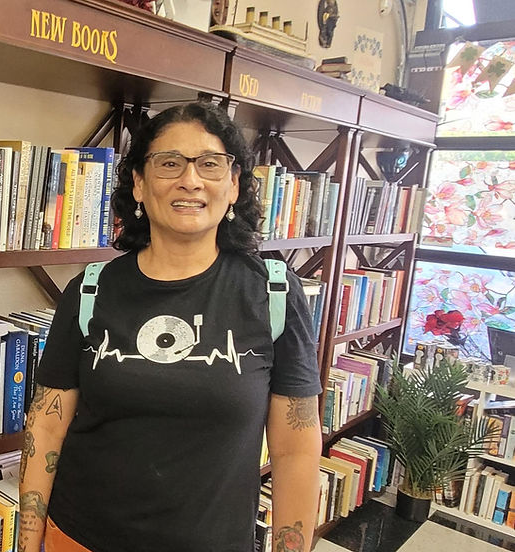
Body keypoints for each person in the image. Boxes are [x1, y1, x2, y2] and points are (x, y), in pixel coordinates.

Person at [17, 102, 323, 552]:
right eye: (169, 163)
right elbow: (45, 427)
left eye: (210, 164)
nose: (190, 180)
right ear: (139, 184)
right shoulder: (90, 289)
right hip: (81, 536)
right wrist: (28, 543)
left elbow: (296, 450)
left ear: (234, 185)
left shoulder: (274, 294)